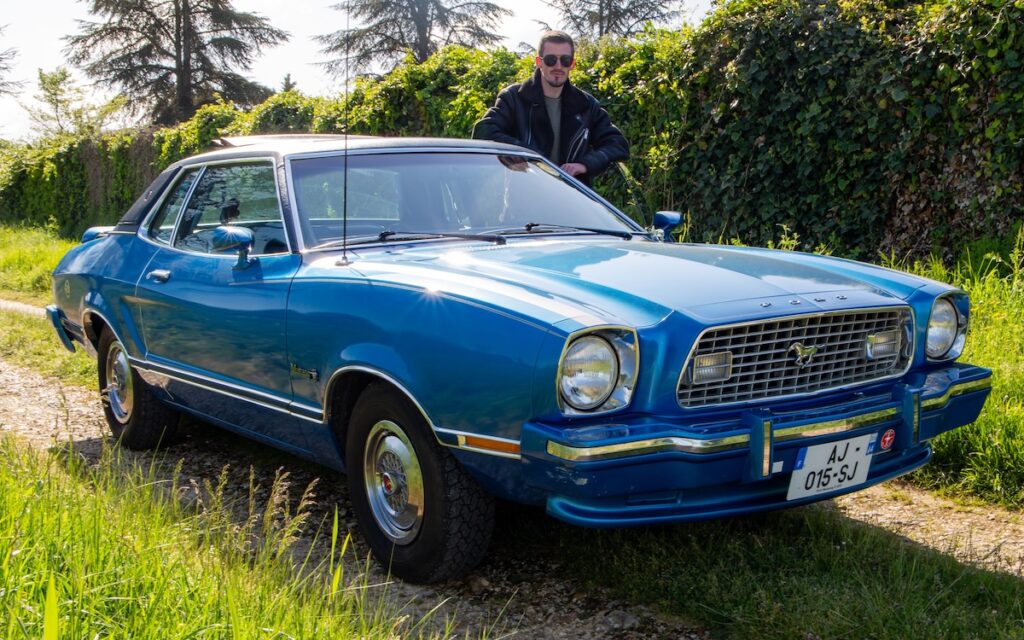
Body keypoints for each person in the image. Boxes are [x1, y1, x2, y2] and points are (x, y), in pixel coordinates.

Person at [472, 30, 628, 186]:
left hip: (573, 200)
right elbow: (484, 131)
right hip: (522, 199)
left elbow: (617, 144)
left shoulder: (586, 105)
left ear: (572, 64)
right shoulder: (513, 98)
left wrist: (585, 164)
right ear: (538, 62)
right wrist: (528, 154)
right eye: (551, 59)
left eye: (565, 60)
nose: (558, 66)